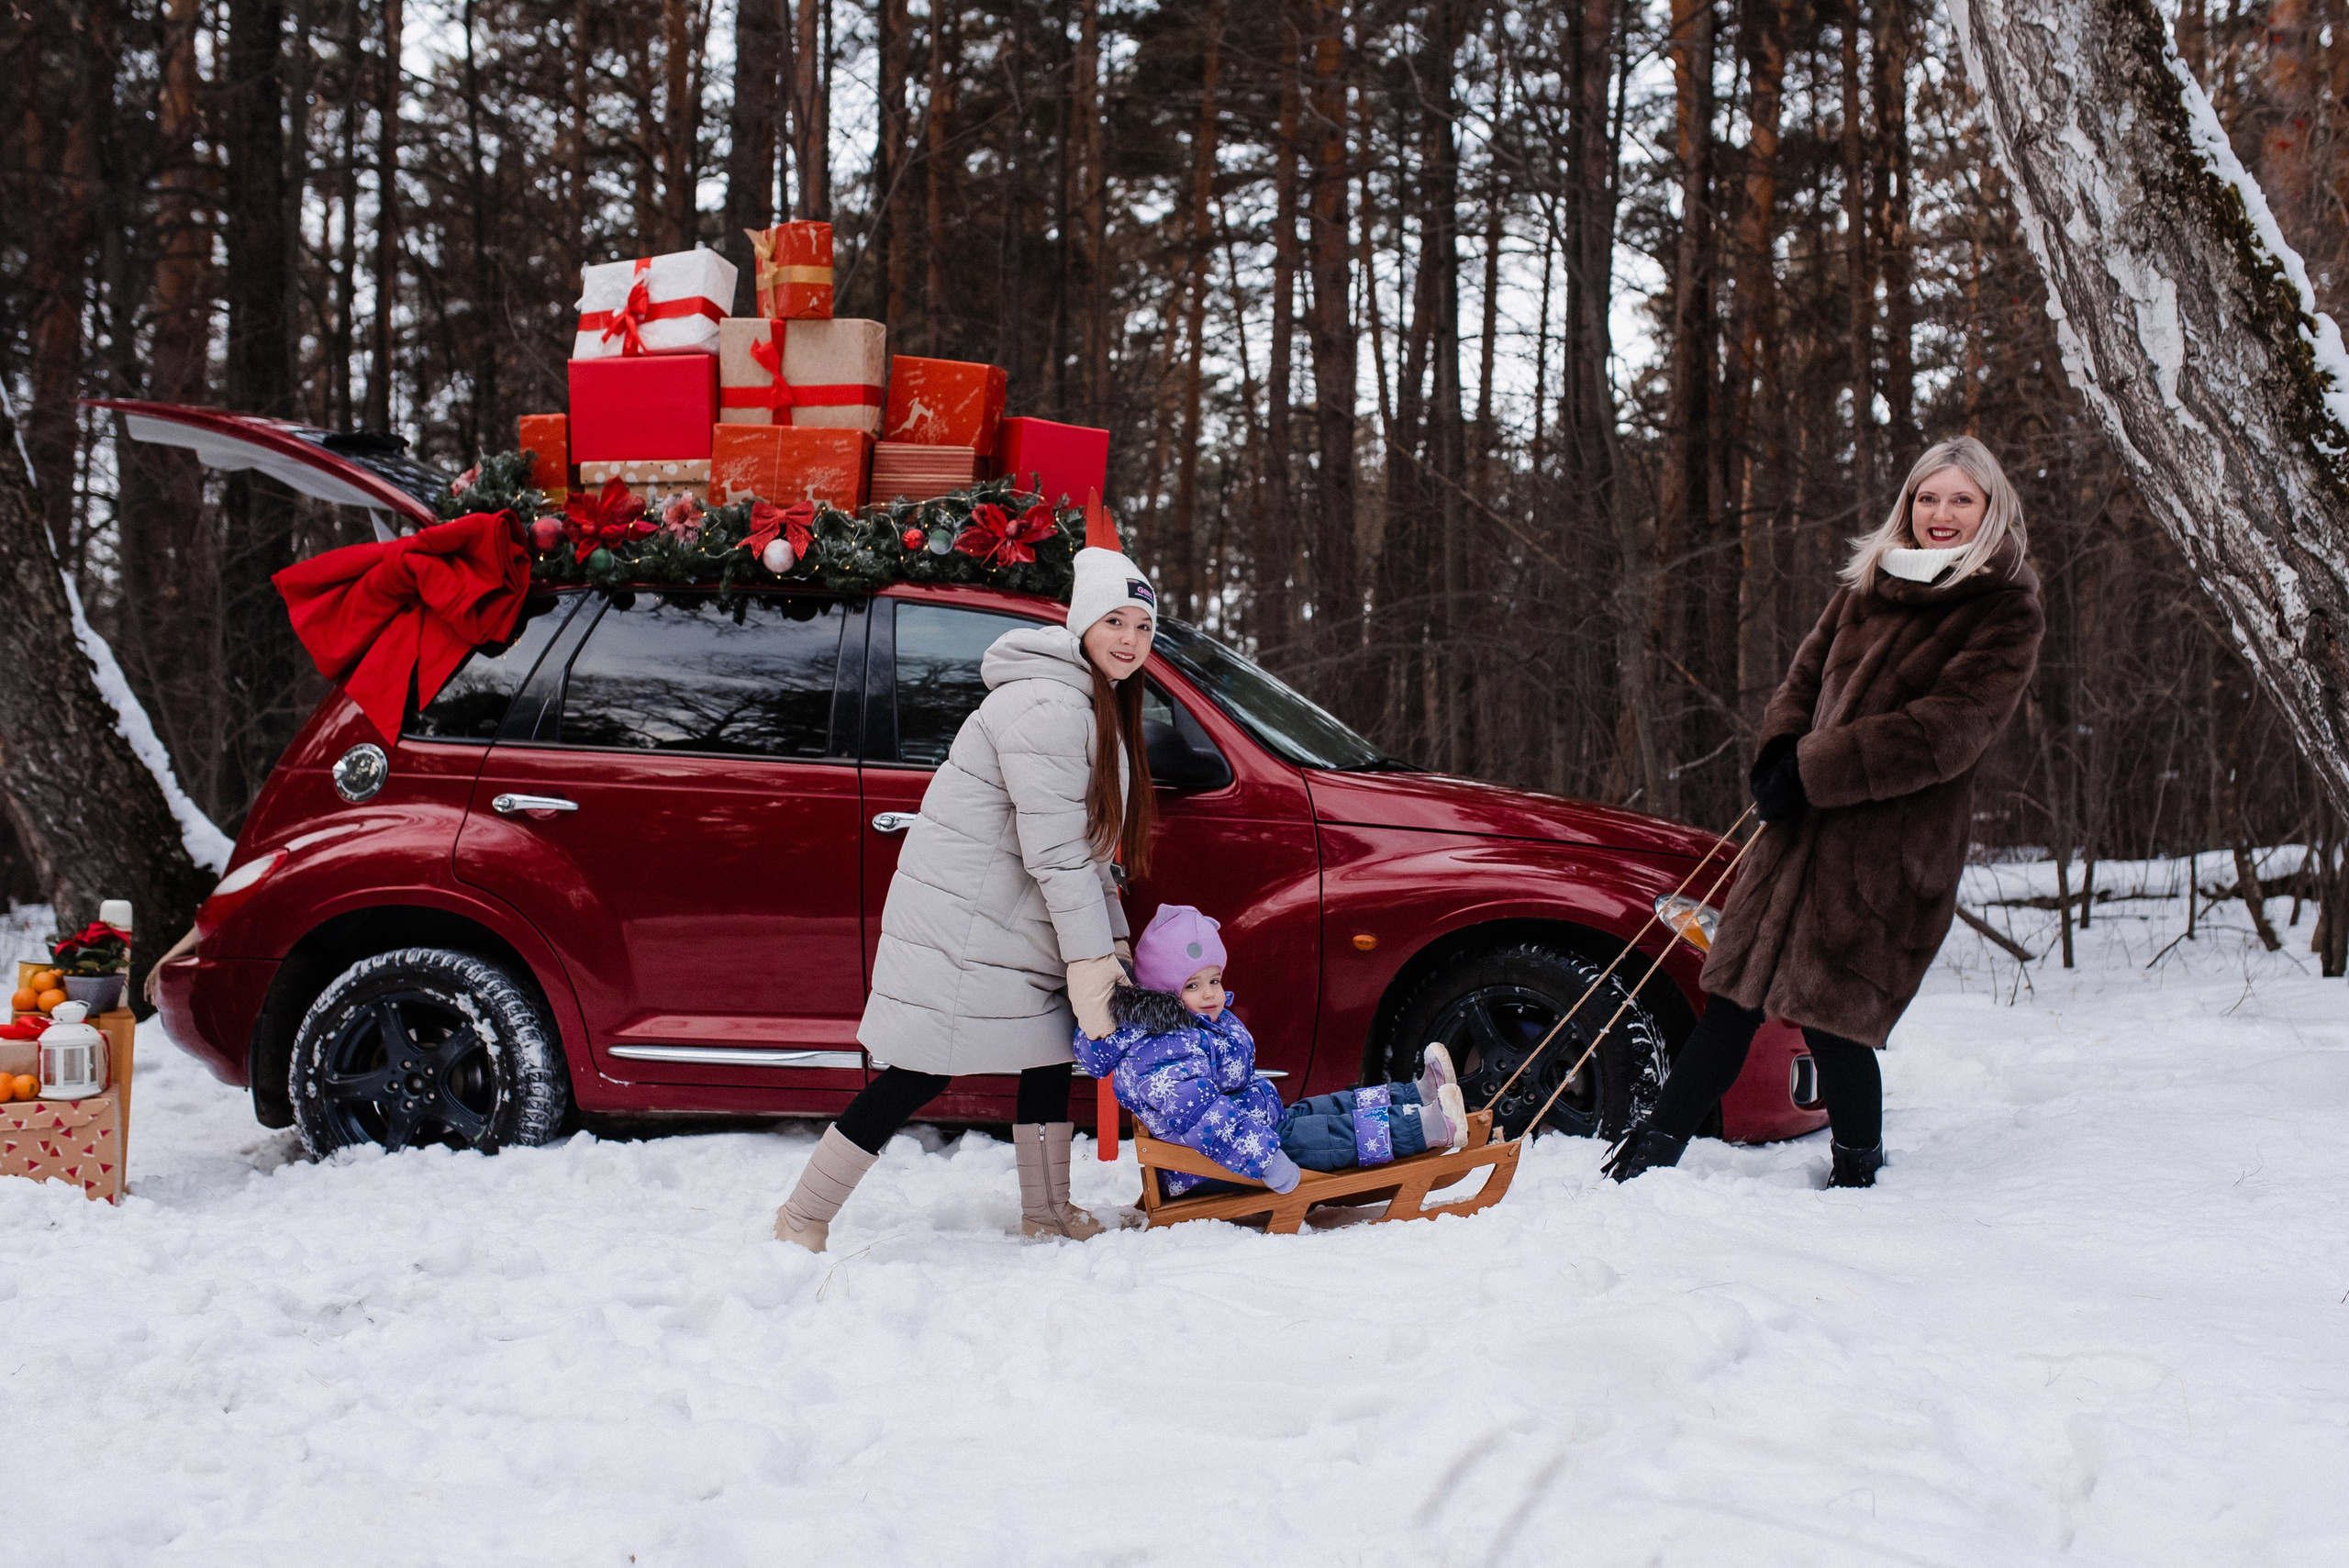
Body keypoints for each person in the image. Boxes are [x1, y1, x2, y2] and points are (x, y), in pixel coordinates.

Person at [1604, 436, 2045, 1189]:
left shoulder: (2004, 604)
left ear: (1989, 509)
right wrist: (1779, 752)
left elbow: (1949, 729)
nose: (1941, 514)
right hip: (1799, 829)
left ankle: (1857, 1172)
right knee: (1732, 999)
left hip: (1888, 845)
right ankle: (1654, 1153)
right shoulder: (1870, 580)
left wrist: (1816, 769)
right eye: (1927, 497)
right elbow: (1803, 675)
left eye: (1960, 500)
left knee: (1832, 1015)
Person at [773, 511, 1158, 1250]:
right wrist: (1089, 958)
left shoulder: (1091, 703)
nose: (1129, 641)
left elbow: (1086, 852)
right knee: (919, 1070)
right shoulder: (1048, 705)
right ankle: (802, 1215)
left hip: (1021, 922)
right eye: (1115, 620)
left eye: (1142, 627)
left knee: (1047, 1053)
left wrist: (1105, 947)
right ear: (1082, 623)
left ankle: (1046, 1212)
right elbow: (1057, 853)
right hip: (973, 922)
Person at [1076, 904, 1469, 1198]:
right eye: (1193, 985)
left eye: (1213, 979)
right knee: (1323, 1135)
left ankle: (1414, 1096)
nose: (1210, 993)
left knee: (1323, 1108)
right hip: (1210, 1169)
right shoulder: (1160, 1053)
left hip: (1254, 1132)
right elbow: (1207, 1119)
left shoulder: (1194, 1026)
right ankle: (1427, 1129)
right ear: (1163, 990)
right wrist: (1265, 1160)